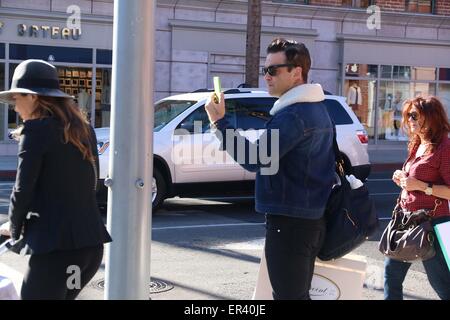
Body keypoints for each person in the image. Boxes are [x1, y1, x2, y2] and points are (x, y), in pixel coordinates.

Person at [205, 38, 335, 300]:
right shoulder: (316, 109)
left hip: (291, 224)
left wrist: (220, 122)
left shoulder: (294, 114)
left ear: (297, 72)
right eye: (265, 70)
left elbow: (255, 158)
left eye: (273, 70)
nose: (266, 76)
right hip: (308, 219)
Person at [0, 59, 112, 300]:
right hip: (90, 248)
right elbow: (90, 182)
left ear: (33, 97)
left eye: (16, 98)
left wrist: (13, 226)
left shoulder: (36, 131)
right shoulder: (84, 128)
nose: (14, 107)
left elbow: (22, 189)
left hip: (56, 250)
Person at [386, 96, 450, 300]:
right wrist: (403, 179)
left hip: (432, 224)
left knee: (441, 284)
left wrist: (422, 186)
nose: (409, 120)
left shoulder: (444, 147)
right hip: (407, 221)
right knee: (391, 276)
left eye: (414, 115)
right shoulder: (417, 144)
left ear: (431, 116)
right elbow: (414, 180)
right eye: (407, 115)